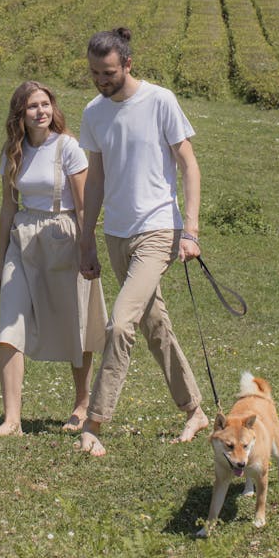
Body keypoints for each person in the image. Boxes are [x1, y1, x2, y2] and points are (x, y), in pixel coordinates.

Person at [76, 27, 209, 456]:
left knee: (121, 322)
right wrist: (87, 240)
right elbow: (94, 180)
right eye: (95, 72)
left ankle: (94, 421)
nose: (101, 79)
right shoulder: (94, 112)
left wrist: (190, 231)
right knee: (155, 326)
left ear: (128, 63)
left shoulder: (160, 100)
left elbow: (189, 166)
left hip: (158, 229)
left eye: (109, 71)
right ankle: (195, 410)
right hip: (116, 233)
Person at [0, 80, 107, 436]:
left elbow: (85, 203)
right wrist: (0, 262)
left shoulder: (68, 148)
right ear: (20, 115)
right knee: (9, 325)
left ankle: (82, 403)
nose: (41, 111)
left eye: (45, 104)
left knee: (76, 320)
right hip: (22, 238)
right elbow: (7, 207)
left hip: (63, 235)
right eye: (32, 106)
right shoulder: (13, 152)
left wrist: (87, 248)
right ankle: (12, 419)